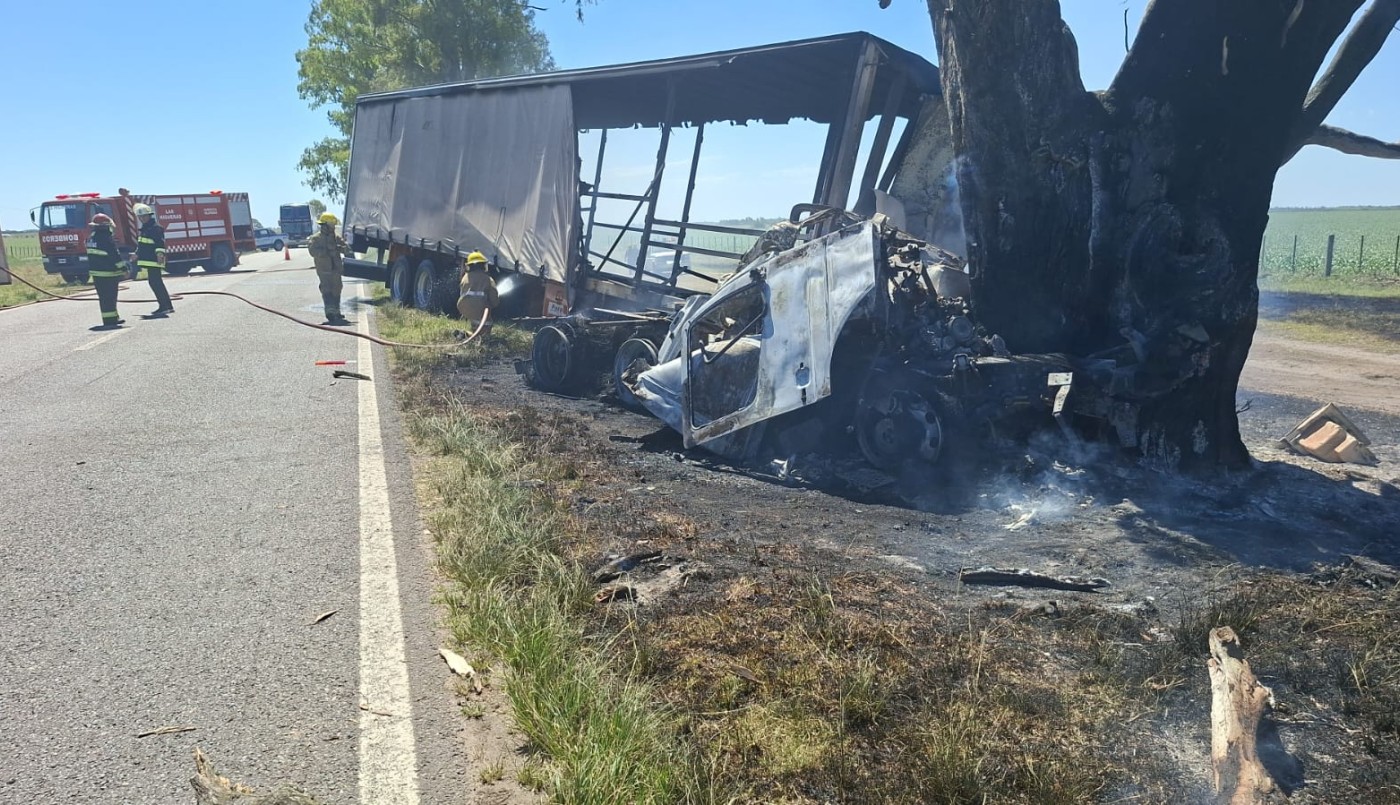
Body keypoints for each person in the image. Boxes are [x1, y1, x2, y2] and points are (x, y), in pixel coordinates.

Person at [307, 212, 352, 325]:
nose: (333, 227)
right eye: (332, 224)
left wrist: (340, 248)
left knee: (337, 288)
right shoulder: (316, 238)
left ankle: (336, 311)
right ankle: (329, 311)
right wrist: (326, 251)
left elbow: (346, 248)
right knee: (326, 289)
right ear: (325, 225)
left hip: (336, 268)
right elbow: (312, 251)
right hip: (324, 269)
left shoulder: (336, 237)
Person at [86, 213, 128, 329]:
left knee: (104, 297)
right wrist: (124, 268)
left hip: (96, 273)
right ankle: (110, 321)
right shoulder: (106, 239)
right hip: (108, 273)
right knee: (110, 297)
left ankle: (111, 318)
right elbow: (114, 256)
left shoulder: (91, 238)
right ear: (105, 226)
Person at [133, 203, 173, 316]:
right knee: (155, 283)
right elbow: (142, 245)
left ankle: (164, 307)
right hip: (149, 260)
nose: (142, 219)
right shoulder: (145, 228)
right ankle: (167, 306)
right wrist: (136, 254)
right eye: (140, 217)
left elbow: (160, 243)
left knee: (156, 283)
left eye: (144, 216)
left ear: (149, 216)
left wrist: (160, 254)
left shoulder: (155, 228)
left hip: (154, 260)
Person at [457, 251, 498, 336]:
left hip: (463, 307)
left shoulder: (465, 278)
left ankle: (470, 333)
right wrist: (492, 304)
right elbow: (494, 298)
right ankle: (476, 335)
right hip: (480, 309)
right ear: (483, 265)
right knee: (487, 326)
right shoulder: (488, 279)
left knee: (475, 319)